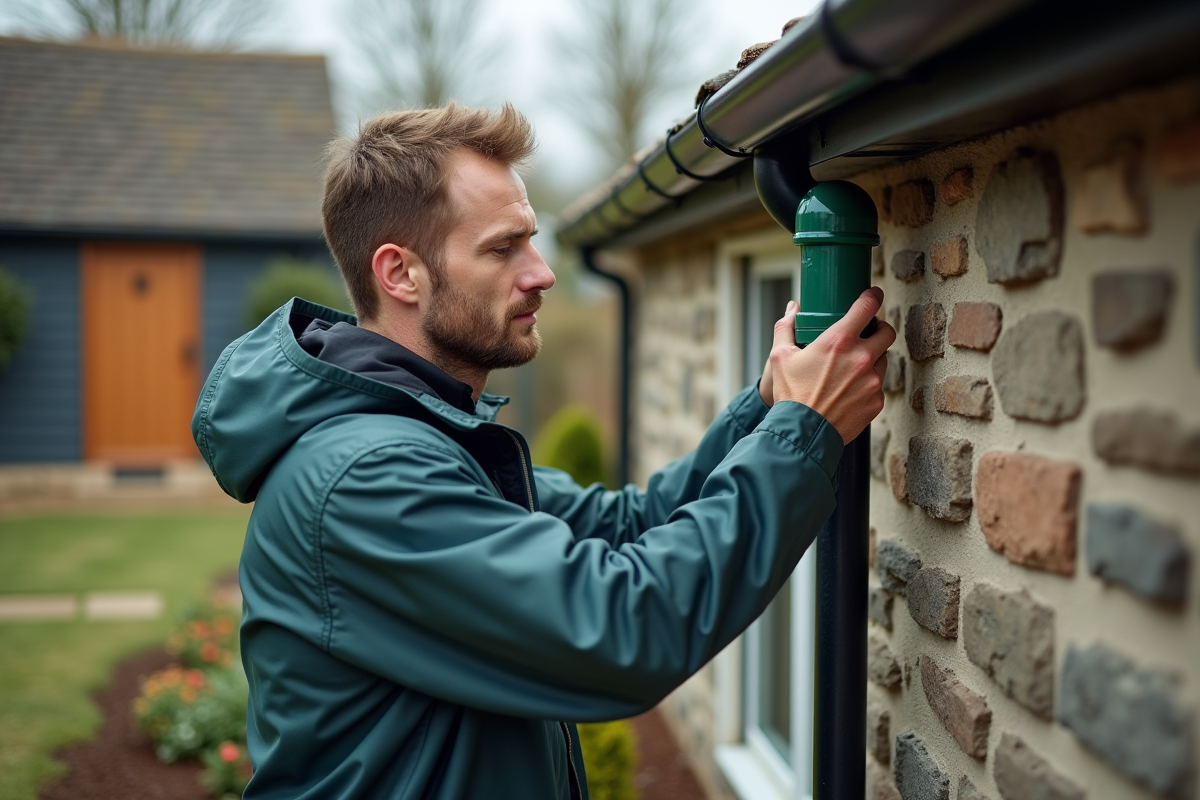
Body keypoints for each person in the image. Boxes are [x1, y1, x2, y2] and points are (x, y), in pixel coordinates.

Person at [192, 104, 895, 800]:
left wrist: (770, 407)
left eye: (532, 240)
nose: (542, 273)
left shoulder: (434, 441)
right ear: (400, 273)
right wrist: (804, 429)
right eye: (503, 249)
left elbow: (631, 526)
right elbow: (622, 630)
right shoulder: (368, 478)